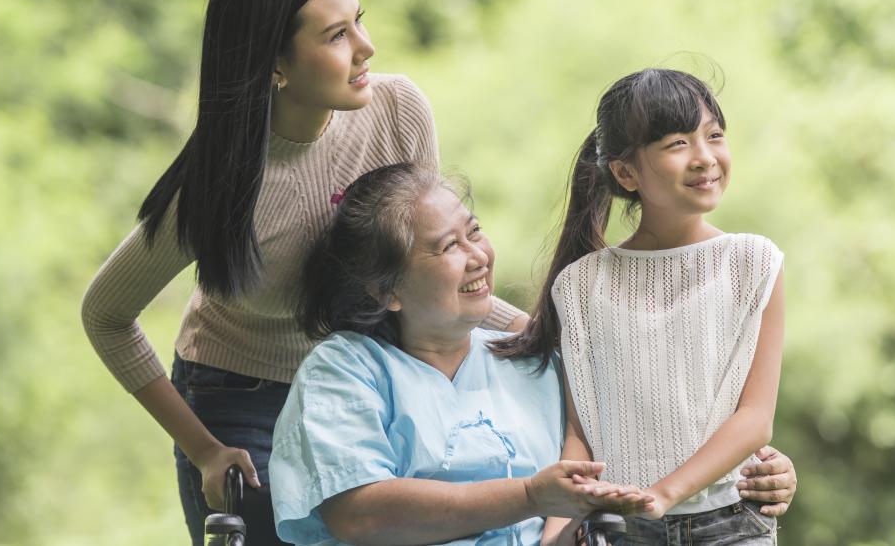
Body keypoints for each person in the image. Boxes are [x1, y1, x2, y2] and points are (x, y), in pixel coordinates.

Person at [79, 0, 528, 545]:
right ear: (275, 65)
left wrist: (542, 333)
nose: (366, 48)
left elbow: (423, 276)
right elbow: (106, 315)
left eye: (359, 22)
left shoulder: (398, 110)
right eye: (337, 35)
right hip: (246, 403)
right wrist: (204, 449)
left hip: (373, 383)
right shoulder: (217, 189)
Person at [272, 163, 656, 545]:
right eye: (449, 246)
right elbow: (358, 514)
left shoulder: (533, 364)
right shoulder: (344, 369)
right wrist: (528, 496)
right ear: (385, 290)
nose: (478, 257)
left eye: (474, 232)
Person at [492, 68, 785, 545]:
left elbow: (755, 419)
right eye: (677, 144)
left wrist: (663, 494)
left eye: (714, 136)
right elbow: (582, 434)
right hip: (620, 531)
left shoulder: (754, 263)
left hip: (731, 523)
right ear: (626, 172)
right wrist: (555, 537)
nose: (705, 157)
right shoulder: (581, 286)